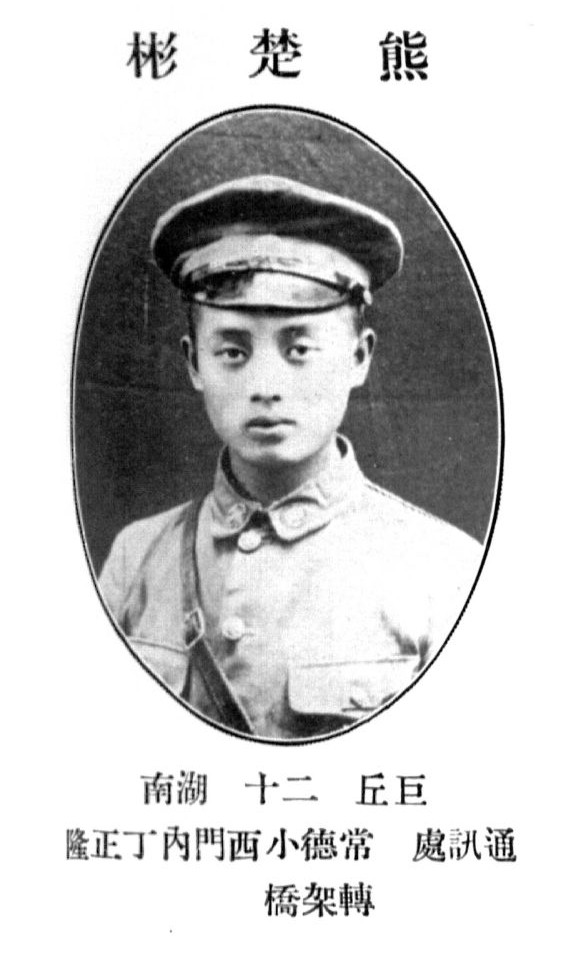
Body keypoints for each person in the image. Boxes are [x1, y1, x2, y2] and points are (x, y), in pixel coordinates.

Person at [98, 174, 481, 741]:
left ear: (359, 357)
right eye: (232, 351)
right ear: (194, 363)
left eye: (299, 349)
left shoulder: (444, 571)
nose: (266, 386)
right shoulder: (135, 559)